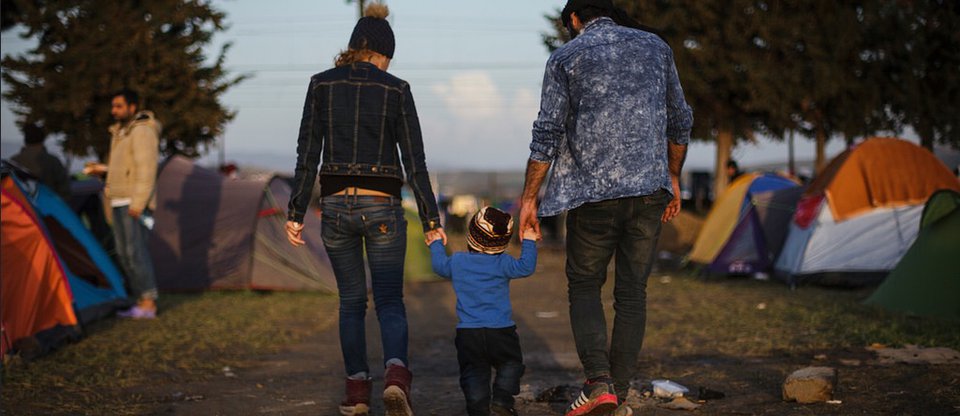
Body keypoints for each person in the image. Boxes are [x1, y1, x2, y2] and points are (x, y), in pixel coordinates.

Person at [518, 1, 694, 415]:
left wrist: (529, 200)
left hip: (592, 196)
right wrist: (673, 176)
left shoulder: (565, 58)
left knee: (584, 286)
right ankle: (621, 392)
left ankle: (599, 384)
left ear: (576, 18)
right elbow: (680, 122)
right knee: (632, 293)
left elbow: (546, 135)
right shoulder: (656, 48)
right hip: (649, 191)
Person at [284, 4, 444, 416]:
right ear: (379, 51)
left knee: (351, 302)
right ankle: (396, 378)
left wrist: (296, 211)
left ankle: (357, 394)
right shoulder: (397, 88)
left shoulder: (320, 85)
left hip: (336, 205)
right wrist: (431, 221)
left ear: (354, 46)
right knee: (390, 300)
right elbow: (415, 161)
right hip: (383, 207)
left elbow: (308, 154)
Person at [428, 207, 538, 416]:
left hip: (469, 333)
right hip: (502, 331)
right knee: (511, 363)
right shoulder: (503, 262)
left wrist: (435, 243)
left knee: (474, 371)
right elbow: (526, 267)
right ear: (503, 242)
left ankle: (478, 407)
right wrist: (530, 240)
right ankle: (502, 399)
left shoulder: (458, 261)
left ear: (471, 236)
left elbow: (439, 266)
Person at [85, 89, 162, 319]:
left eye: (119, 106)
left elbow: (146, 169)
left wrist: (139, 203)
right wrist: (105, 171)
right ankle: (140, 300)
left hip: (133, 201)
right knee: (124, 253)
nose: (114, 111)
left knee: (135, 252)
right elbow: (124, 168)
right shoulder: (120, 133)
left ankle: (149, 302)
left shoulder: (142, 132)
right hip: (118, 199)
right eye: (113, 106)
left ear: (132, 106)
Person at [11, 123, 71, 199]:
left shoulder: (13, 162)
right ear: (43, 140)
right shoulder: (52, 162)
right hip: (50, 208)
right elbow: (65, 191)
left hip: (21, 208)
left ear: (25, 140)